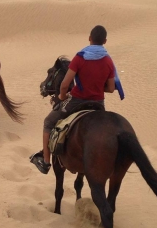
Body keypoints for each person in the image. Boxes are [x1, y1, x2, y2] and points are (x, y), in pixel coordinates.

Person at [30, 25, 125, 174]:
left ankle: (46, 162)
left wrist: (62, 97)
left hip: (77, 100)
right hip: (98, 104)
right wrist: (97, 87)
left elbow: (64, 85)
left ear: (89, 38)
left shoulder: (80, 57)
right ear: (105, 41)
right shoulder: (108, 61)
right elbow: (111, 88)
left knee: (48, 122)